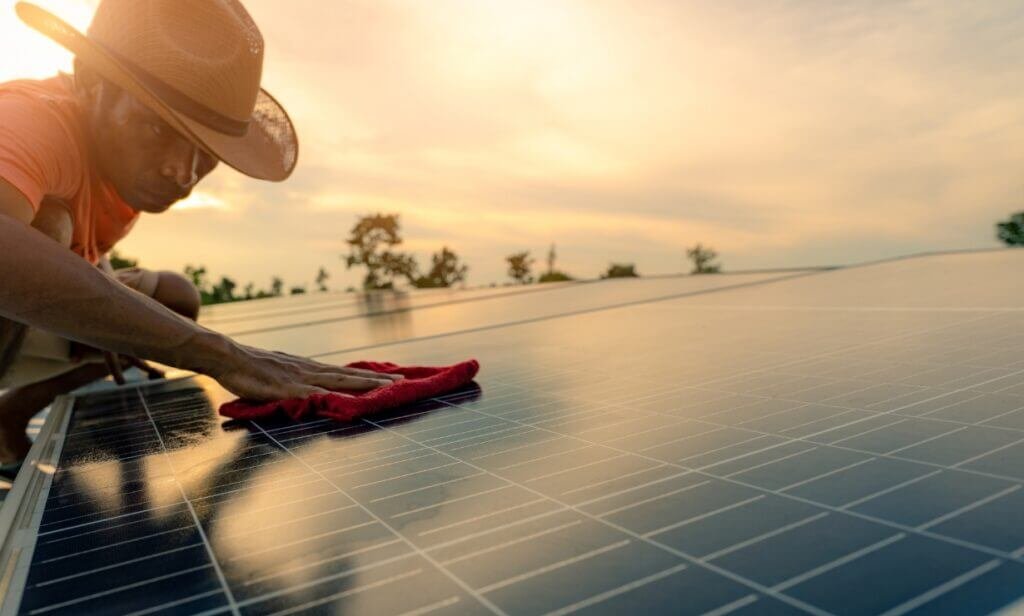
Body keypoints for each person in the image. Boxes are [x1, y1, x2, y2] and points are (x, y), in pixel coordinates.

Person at [0, 0, 400, 467]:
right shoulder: (30, 120)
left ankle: (9, 416)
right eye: (156, 127)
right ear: (90, 81)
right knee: (47, 229)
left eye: (205, 150)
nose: (184, 173)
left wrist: (118, 306)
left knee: (169, 301)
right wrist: (223, 355)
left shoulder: (117, 164)